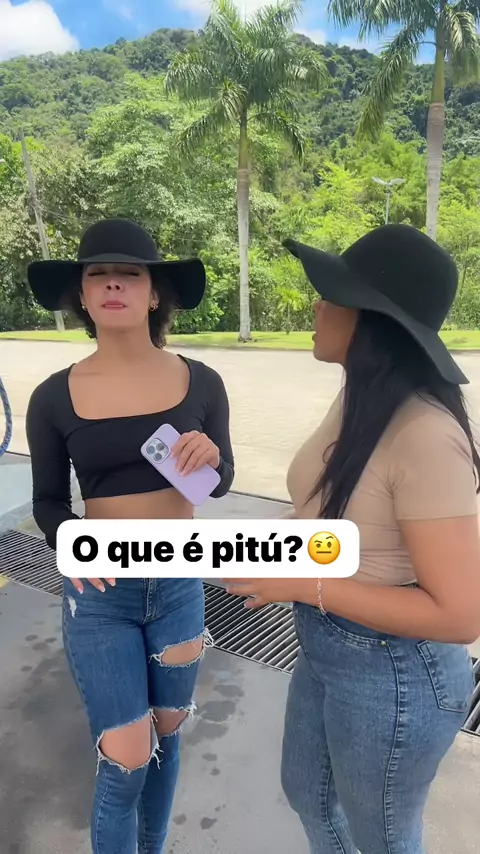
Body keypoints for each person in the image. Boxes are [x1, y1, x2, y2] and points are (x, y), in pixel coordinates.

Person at [227, 225, 480, 854]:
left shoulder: (424, 433)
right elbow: (332, 514)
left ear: (373, 321)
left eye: (332, 294)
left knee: (383, 839)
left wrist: (304, 583)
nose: (316, 306)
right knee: (307, 794)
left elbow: (460, 615)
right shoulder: (360, 398)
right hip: (326, 644)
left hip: (394, 671)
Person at [25, 217, 234, 854]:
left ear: (154, 294)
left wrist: (211, 456)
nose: (113, 284)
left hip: (177, 585)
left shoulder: (202, 381)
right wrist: (72, 542)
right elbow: (48, 503)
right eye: (98, 275)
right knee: (126, 759)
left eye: (130, 274)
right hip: (101, 594)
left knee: (166, 739)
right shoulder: (52, 397)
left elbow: (220, 482)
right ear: (82, 296)